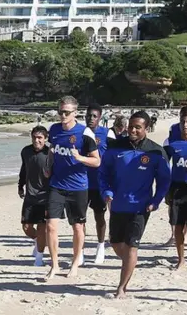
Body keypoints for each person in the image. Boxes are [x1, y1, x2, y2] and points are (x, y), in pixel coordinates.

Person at [99, 111, 170, 299]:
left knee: (132, 247)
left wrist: (156, 201)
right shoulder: (115, 146)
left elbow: (164, 180)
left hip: (141, 207)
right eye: (131, 126)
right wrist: (106, 192)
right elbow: (103, 173)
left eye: (138, 127)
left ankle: (121, 287)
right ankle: (130, 263)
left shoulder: (155, 152)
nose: (133, 130)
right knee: (115, 243)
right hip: (117, 205)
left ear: (146, 128)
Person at [45, 96, 100, 281]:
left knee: (77, 227)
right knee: (51, 226)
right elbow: (52, 150)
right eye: (60, 111)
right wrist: (48, 166)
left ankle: (75, 263)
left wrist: (80, 158)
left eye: (66, 112)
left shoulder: (85, 133)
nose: (62, 115)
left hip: (78, 186)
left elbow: (96, 161)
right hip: (56, 185)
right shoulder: (53, 130)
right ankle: (54, 265)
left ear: (75, 113)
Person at [163, 108, 187, 270]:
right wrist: (165, 188)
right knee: (177, 226)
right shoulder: (171, 142)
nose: (184, 125)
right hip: (176, 187)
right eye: (182, 122)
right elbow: (163, 165)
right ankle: (181, 259)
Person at [85, 103, 116, 264]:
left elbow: (115, 155)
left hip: (100, 182)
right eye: (88, 115)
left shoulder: (107, 133)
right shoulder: (80, 133)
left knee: (99, 216)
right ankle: (80, 251)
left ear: (100, 118)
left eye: (94, 116)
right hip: (82, 182)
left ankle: (100, 246)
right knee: (79, 218)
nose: (91, 118)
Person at [18, 126, 50, 267]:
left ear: (45, 139)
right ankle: (39, 240)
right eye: (34, 137)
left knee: (42, 226)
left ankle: (39, 257)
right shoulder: (25, 151)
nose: (37, 140)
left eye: (40, 138)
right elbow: (24, 169)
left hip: (46, 196)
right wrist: (20, 185)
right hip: (30, 195)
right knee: (26, 227)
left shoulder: (50, 153)